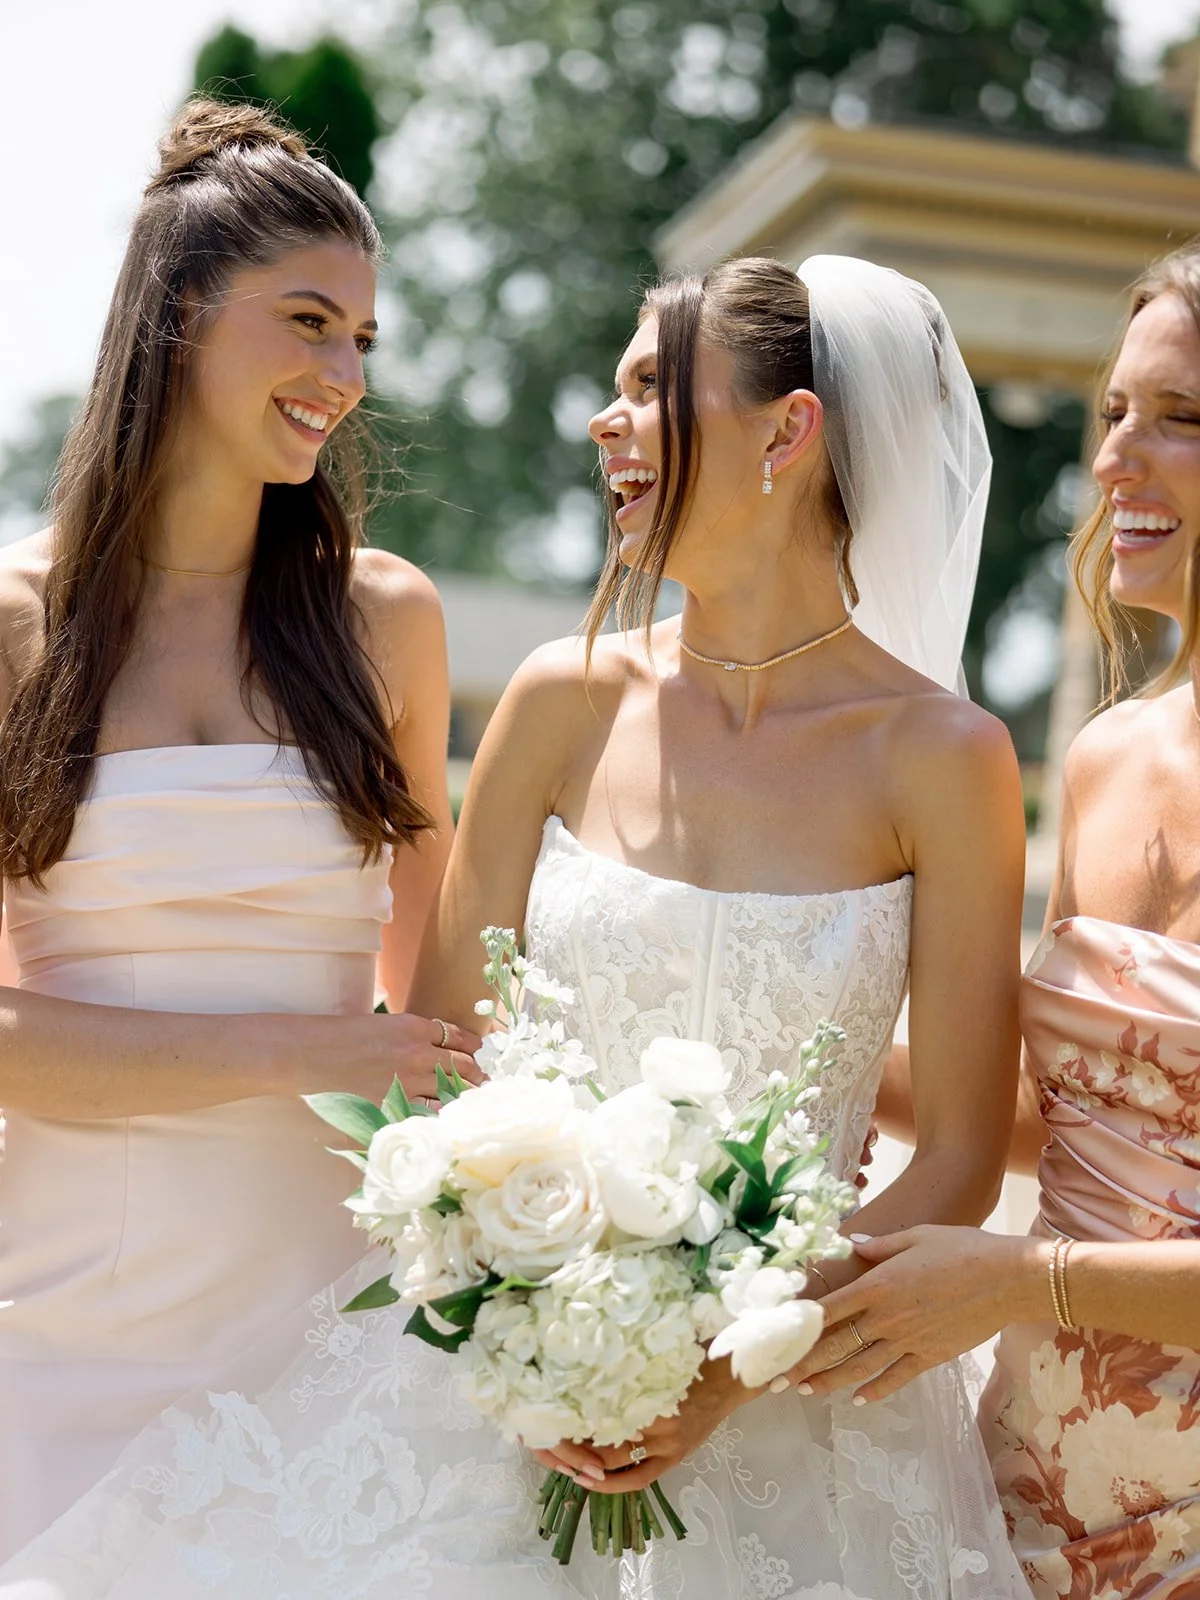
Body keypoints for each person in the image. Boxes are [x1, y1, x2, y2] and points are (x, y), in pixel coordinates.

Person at [0, 254, 1033, 1598]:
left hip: (809, 1408)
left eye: (652, 389)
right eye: (611, 392)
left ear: (788, 431)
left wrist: (725, 1369)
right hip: (503, 1396)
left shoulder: (946, 757)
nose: (605, 424)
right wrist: (534, 1308)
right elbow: (446, 1063)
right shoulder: (562, 701)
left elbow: (956, 1155)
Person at [0, 98, 480, 1565]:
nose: (343, 375)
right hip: (69, 1310)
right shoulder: (17, 627)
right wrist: (307, 1053)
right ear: (182, 312)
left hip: (335, 1313)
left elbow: (451, 991)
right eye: (310, 322)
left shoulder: (385, 622)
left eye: (364, 343)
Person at [785, 246, 1200, 1600]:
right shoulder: (1106, 758)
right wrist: (764, 1059)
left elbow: (1036, 1253)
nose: (1118, 464)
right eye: (1115, 415)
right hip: (1035, 1493)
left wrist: (1024, 1278)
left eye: (1181, 420)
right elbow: (1057, 1116)